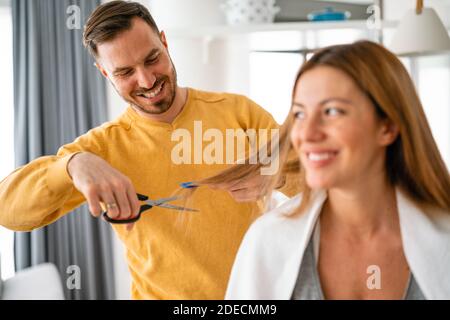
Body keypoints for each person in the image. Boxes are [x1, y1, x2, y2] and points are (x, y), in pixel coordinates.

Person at [0, 1, 296, 299]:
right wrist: (71, 166)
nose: (147, 80)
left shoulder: (239, 113)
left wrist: (277, 175)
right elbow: (7, 210)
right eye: (125, 72)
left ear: (164, 43)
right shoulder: (103, 148)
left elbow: (321, 179)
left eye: (152, 58)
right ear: (104, 72)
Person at [202, 41, 450, 299]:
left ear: (387, 126)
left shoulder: (444, 237)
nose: (307, 134)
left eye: (332, 111)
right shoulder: (267, 241)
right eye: (299, 114)